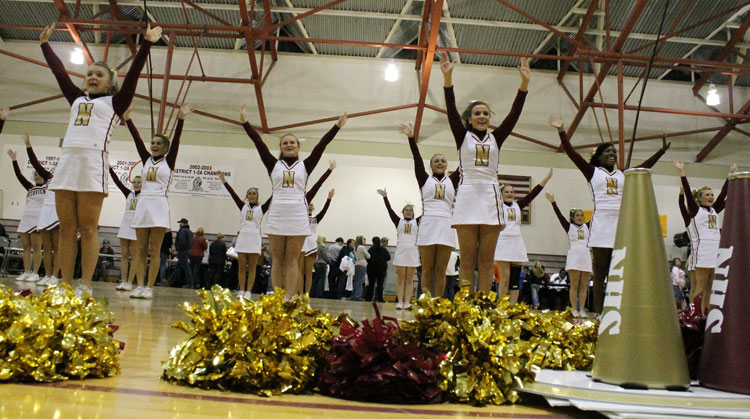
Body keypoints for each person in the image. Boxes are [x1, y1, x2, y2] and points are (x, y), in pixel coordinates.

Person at [39, 23, 162, 296]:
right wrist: (45, 45)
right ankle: (65, 283)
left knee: (88, 228)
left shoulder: (116, 103)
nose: (92, 77)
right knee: (66, 229)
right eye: (89, 74)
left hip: (93, 166)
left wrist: (146, 44)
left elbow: (133, 77)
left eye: (98, 75)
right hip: (67, 165)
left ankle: (85, 284)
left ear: (110, 82)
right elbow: (59, 73)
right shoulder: (75, 98)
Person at [551, 116, 670, 314]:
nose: (612, 154)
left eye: (614, 151)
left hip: (622, 225)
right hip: (600, 226)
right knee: (600, 275)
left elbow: (644, 168)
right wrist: (562, 131)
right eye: (608, 151)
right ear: (598, 156)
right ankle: (599, 313)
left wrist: (662, 151)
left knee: (619, 274)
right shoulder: (592, 172)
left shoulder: (623, 174)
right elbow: (572, 154)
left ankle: (619, 312)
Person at [438, 51, 530, 294]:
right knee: (467, 260)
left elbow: (514, 115)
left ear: (489, 119)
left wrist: (524, 84)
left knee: (487, 261)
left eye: (485, 113)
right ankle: (466, 302)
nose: (482, 116)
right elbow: (450, 110)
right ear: (469, 119)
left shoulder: (496, 138)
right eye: (477, 113)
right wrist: (447, 80)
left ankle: (484, 303)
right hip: (467, 195)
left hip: (490, 195)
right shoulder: (462, 136)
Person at [239, 104, 347, 294]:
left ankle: (289, 299)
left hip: (297, 214)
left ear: (298, 146)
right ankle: (278, 298)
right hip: (277, 213)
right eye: (285, 143)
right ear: (281, 147)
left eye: (292, 143)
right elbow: (258, 143)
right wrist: (245, 122)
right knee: (278, 260)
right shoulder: (273, 164)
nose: (289, 145)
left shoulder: (305, 166)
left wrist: (337, 126)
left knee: (292, 260)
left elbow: (321, 145)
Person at [126, 104, 192, 299]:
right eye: (152, 143)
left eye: (158, 143)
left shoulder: (169, 161)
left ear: (165, 147)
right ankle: (139, 285)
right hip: (143, 204)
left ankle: (149, 287)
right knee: (140, 249)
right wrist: (128, 120)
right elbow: (137, 140)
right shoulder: (146, 159)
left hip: (159, 205)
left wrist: (181, 119)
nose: (154, 145)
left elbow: (177, 140)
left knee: (155, 250)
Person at [399, 122, 459, 298]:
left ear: (447, 165)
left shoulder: (453, 180)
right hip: (428, 224)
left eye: (443, 161)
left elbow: (466, 160)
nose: (440, 163)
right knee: (427, 270)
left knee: (441, 271)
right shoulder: (424, 179)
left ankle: (438, 302)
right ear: (431, 166)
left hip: (446, 225)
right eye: (436, 161)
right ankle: (426, 303)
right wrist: (411, 139)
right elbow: (417, 159)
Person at [673, 161, 735, 313]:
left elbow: (723, 194)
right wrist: (682, 173)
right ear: (699, 199)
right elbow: (688, 195)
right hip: (701, 252)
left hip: (714, 252)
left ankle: (705, 312)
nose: (711, 197)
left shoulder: (714, 210)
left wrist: (730, 176)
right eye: (707, 195)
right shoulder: (695, 211)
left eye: (712, 194)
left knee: (709, 286)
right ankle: (696, 313)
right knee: (699, 286)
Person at [495, 169, 552, 302]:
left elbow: (533, 193)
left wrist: (546, 179)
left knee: (515, 280)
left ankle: (512, 306)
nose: (509, 194)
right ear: (501, 194)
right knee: (504, 279)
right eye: (506, 192)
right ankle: (502, 306)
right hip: (502, 242)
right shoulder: (497, 206)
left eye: (512, 192)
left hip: (516, 242)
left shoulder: (518, 205)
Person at [218, 170, 272, 297]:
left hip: (254, 238)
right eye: (249, 193)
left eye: (254, 193)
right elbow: (233, 194)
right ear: (247, 196)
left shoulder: (261, 208)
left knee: (252, 267)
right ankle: (241, 290)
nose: (252, 195)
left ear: (257, 196)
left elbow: (272, 198)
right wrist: (224, 181)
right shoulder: (242, 206)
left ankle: (248, 291)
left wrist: (278, 186)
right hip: (243, 237)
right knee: (241, 266)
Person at [23, 134, 62, 286]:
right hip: (45, 212)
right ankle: (47, 274)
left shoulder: (69, 179)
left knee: (57, 247)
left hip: (58, 212)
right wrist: (28, 145)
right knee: (46, 247)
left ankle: (55, 276)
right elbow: (35, 163)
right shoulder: (49, 177)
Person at [545, 193, 592, 317]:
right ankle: (574, 309)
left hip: (586, 255)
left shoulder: (587, 226)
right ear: (572, 217)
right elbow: (559, 215)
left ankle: (582, 309)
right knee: (574, 284)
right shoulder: (569, 226)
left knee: (584, 285)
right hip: (574, 256)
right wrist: (553, 203)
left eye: (581, 215)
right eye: (577, 215)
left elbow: (597, 214)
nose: (580, 217)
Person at [377, 189, 419, 309]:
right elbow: (390, 210)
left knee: (410, 280)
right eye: (406, 210)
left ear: (413, 213)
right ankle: (399, 302)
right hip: (401, 252)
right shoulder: (398, 221)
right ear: (403, 212)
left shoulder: (417, 222)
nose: (408, 212)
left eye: (410, 210)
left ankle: (407, 302)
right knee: (401, 279)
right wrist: (385, 197)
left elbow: (427, 212)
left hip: (412, 252)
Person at [298, 162, 336, 295]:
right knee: (299, 271)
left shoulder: (315, 218)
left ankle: (306, 295)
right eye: (308, 204)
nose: (310, 206)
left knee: (308, 272)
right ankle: (298, 293)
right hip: (300, 242)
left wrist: (329, 199)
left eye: (311, 205)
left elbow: (324, 211)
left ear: (313, 207)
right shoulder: (299, 215)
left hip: (311, 244)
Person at [7, 148, 44, 283]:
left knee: (37, 247)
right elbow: (19, 176)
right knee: (26, 247)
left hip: (38, 219)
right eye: (35, 174)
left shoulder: (48, 188)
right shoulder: (30, 187)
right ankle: (27, 271)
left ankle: (35, 273)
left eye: (39, 174)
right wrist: (14, 160)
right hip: (26, 218)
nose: (37, 176)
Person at [110, 167, 141, 291]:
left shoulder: (145, 196)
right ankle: (123, 281)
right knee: (124, 255)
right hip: (125, 225)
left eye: (139, 182)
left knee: (134, 257)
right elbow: (118, 182)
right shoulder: (128, 194)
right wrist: (110, 169)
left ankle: (130, 282)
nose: (136, 184)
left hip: (136, 226)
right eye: (134, 182)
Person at [167, 218, 193, 291]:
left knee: (186, 268)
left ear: (182, 224)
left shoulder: (182, 231)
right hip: (187, 251)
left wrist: (178, 248)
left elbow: (181, 241)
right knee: (178, 268)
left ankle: (190, 283)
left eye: (180, 223)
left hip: (182, 251)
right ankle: (169, 281)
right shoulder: (190, 232)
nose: (179, 225)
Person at [365, 236, 391, 302]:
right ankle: (379, 298)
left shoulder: (371, 249)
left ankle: (369, 298)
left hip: (371, 269)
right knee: (380, 284)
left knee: (371, 284)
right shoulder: (383, 249)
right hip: (382, 269)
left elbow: (367, 258)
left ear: (373, 242)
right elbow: (388, 257)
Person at [350, 235, 371, 301]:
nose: (365, 240)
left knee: (356, 280)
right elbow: (368, 256)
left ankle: (353, 295)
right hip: (363, 264)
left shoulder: (355, 247)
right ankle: (358, 296)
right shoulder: (362, 247)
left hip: (357, 264)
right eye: (363, 239)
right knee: (360, 281)